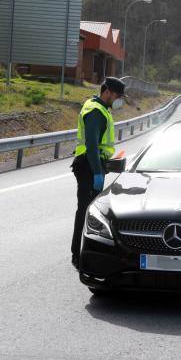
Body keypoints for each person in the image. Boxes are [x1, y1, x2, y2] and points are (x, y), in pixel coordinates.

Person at [70, 77, 125, 269]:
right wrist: (96, 172)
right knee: (86, 211)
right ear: (107, 91)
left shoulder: (99, 107)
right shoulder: (95, 111)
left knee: (90, 210)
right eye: (117, 95)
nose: (118, 100)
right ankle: (78, 255)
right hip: (88, 165)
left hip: (93, 164)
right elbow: (92, 145)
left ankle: (82, 253)